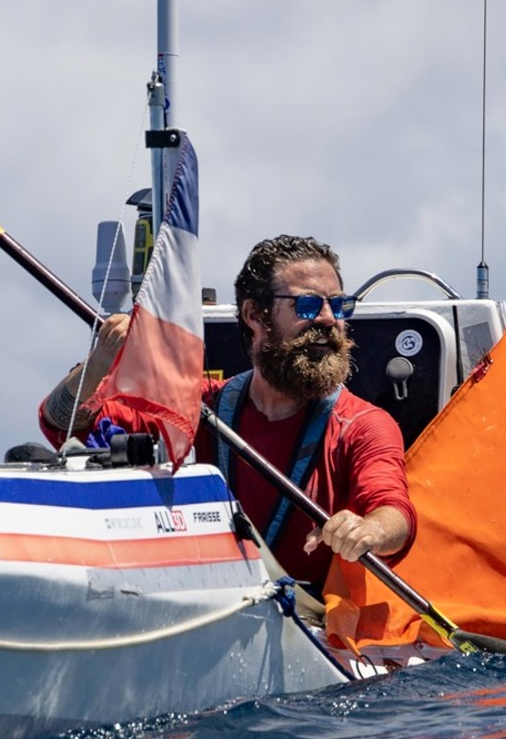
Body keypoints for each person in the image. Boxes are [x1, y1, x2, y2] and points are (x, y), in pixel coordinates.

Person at [39, 234, 415, 596]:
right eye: (308, 306)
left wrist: (369, 531)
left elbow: (395, 514)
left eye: (339, 305)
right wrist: (102, 358)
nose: (329, 320)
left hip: (309, 628)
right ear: (255, 315)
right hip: (206, 612)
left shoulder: (363, 425)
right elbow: (63, 425)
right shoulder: (197, 406)